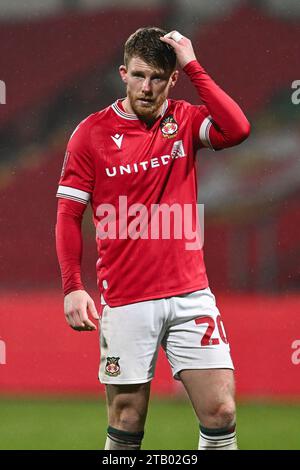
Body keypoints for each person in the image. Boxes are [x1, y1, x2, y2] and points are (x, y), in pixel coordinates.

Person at [55, 27, 250, 450]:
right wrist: (73, 286)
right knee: (127, 420)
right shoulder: (91, 133)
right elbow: (69, 214)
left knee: (222, 411)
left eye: (158, 77)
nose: (147, 87)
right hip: (127, 298)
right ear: (123, 73)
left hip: (191, 294)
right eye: (139, 76)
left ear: (172, 78)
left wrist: (193, 64)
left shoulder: (183, 119)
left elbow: (237, 129)